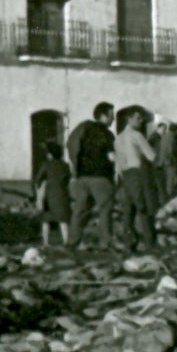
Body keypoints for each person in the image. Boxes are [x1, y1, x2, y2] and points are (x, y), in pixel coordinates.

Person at [67, 102, 117, 250]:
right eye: (111, 116)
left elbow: (71, 144)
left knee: (80, 209)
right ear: (103, 115)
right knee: (105, 208)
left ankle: (72, 241)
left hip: (82, 177)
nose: (113, 119)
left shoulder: (84, 128)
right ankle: (106, 242)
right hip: (100, 177)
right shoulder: (106, 134)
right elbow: (111, 156)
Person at [113, 107, 160, 252]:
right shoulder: (137, 135)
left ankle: (129, 243)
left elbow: (117, 161)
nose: (141, 121)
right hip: (139, 174)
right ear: (129, 119)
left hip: (124, 176)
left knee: (128, 211)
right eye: (138, 118)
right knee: (145, 208)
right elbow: (152, 156)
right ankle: (150, 243)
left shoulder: (118, 138)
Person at [35, 140, 72, 247]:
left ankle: (46, 242)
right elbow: (68, 179)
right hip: (63, 195)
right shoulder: (65, 166)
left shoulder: (46, 165)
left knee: (46, 220)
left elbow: (38, 180)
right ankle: (66, 241)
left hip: (48, 197)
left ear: (50, 154)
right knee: (63, 220)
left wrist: (38, 195)